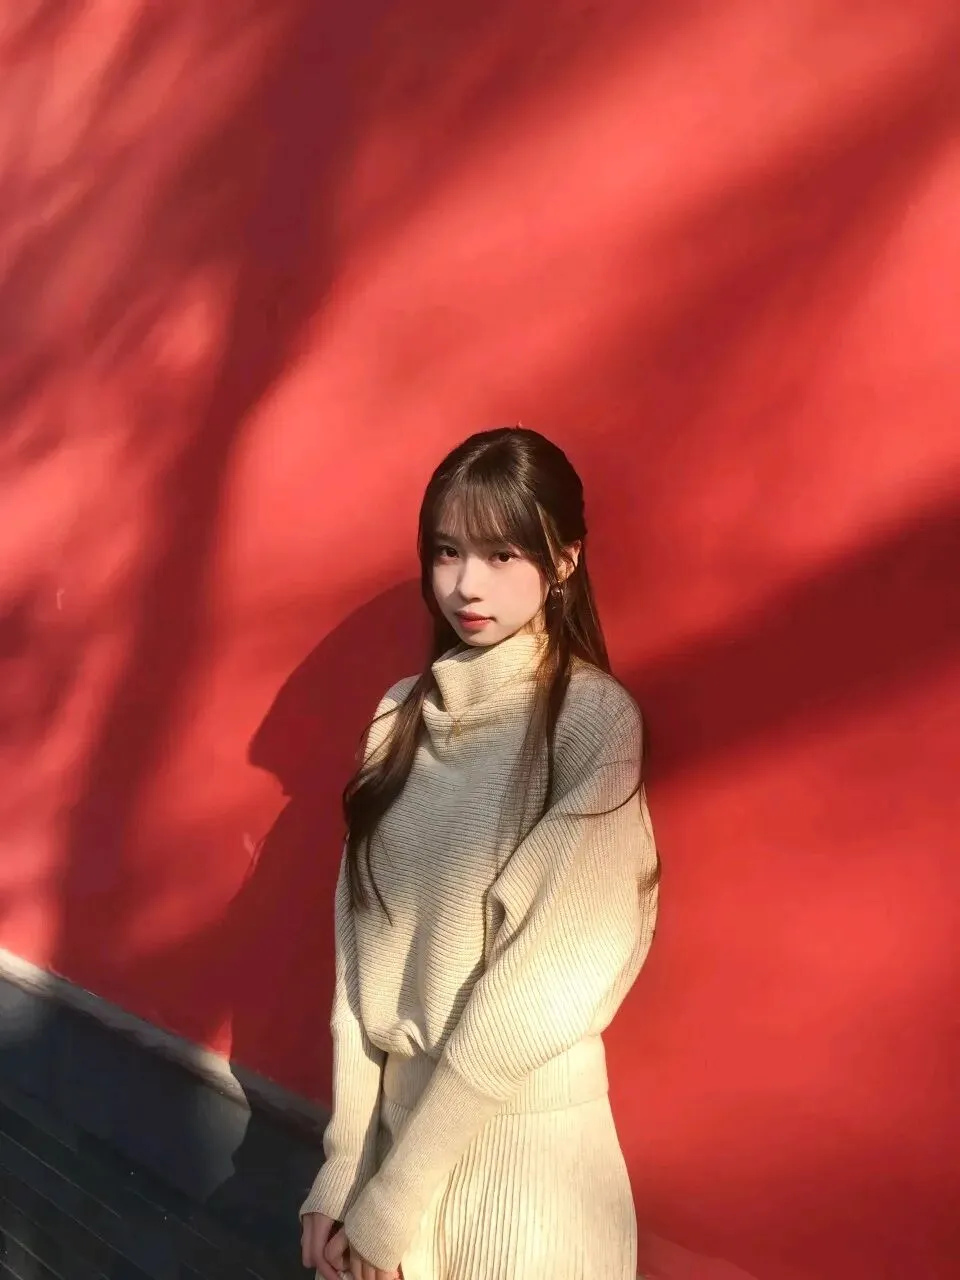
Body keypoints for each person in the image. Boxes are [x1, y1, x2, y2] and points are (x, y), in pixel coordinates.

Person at [300, 426, 659, 1280]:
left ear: (564, 560)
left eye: (502, 554)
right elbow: (359, 952)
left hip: (527, 1168)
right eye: (447, 551)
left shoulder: (592, 723)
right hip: (395, 1147)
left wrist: (394, 1198)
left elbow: (540, 986)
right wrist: (345, 1162)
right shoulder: (398, 716)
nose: (466, 584)